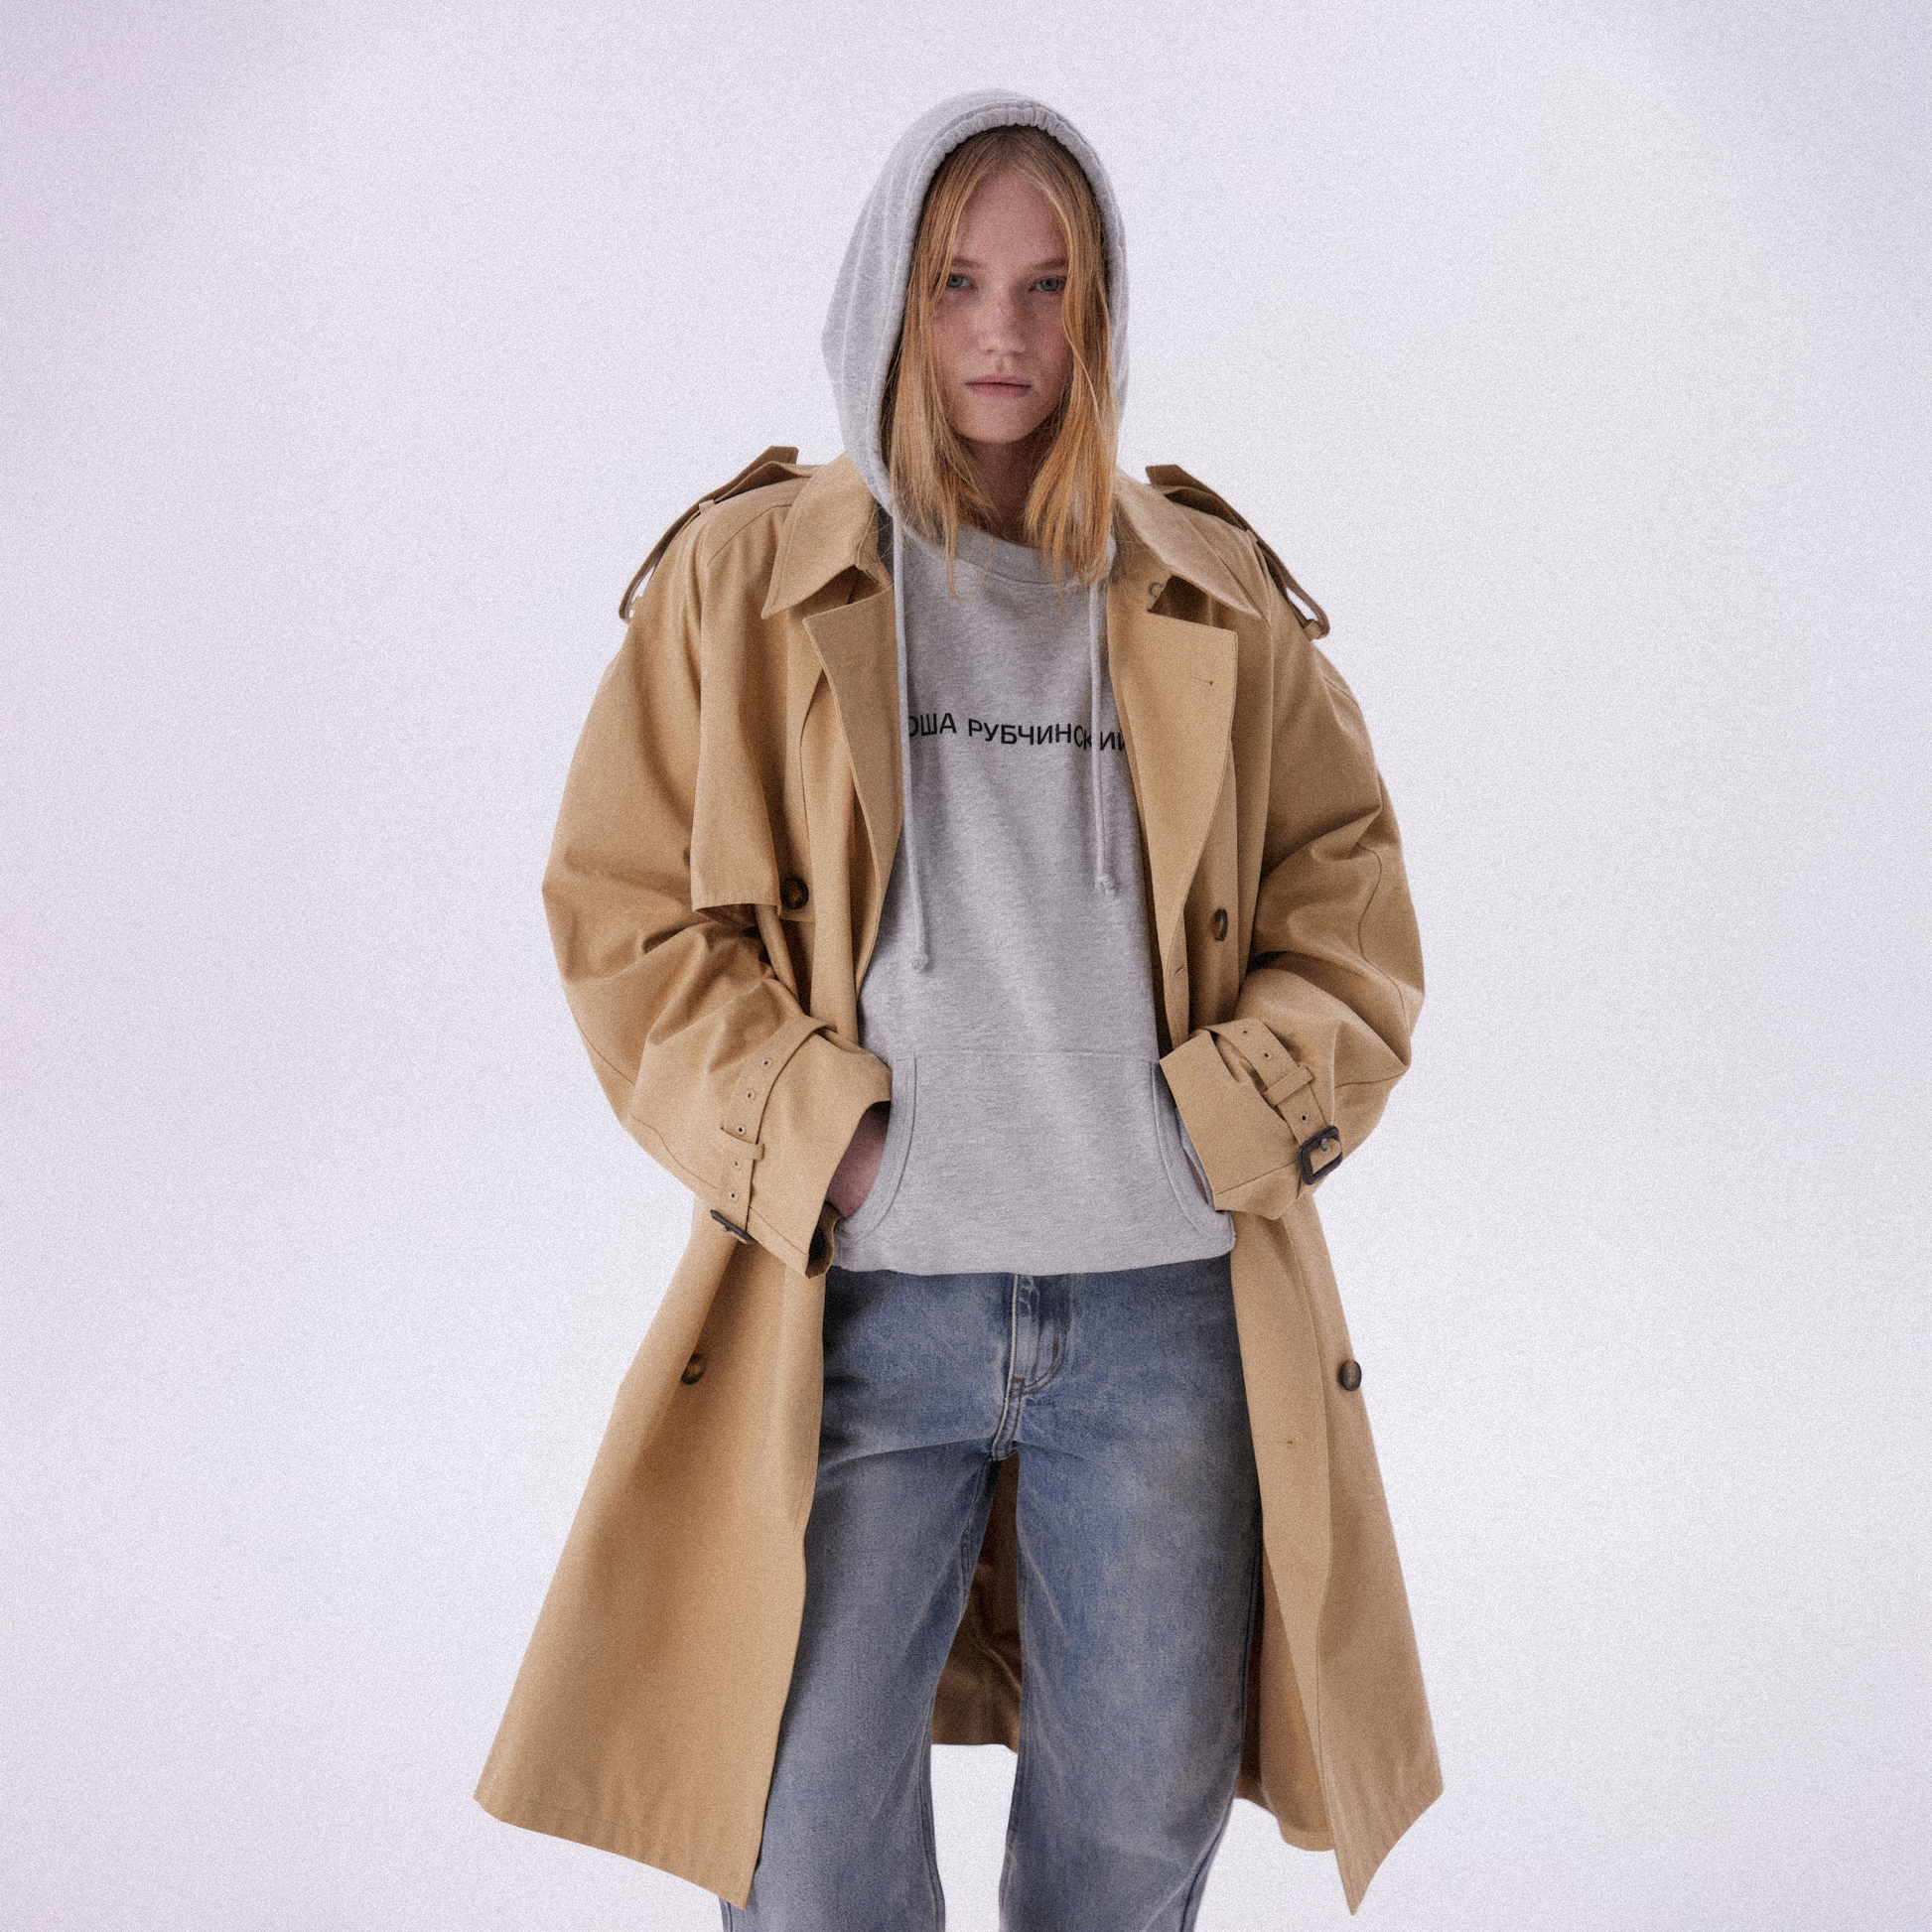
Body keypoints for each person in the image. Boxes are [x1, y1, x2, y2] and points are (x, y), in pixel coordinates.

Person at [477, 90, 1441, 1929]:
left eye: (1047, 286)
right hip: (856, 1312)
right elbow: (624, 915)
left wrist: (1209, 1130)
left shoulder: (1213, 595)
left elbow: (1352, 909)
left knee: (1126, 1859)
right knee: (803, 1853)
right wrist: (822, 1141)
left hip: (1161, 1318)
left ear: (1099, 311)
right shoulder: (747, 578)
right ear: (888, 296)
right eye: (956, 283)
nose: (1003, 332)